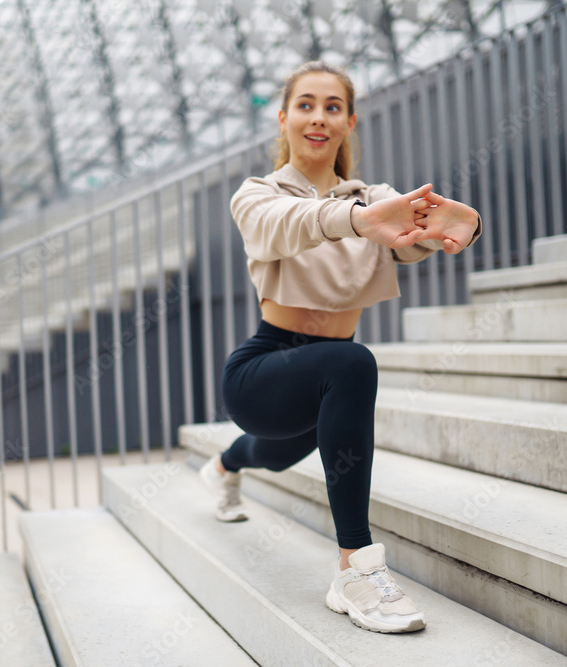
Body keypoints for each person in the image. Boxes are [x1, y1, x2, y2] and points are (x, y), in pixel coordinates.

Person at [199, 60, 482, 634]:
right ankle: (355, 569)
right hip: (265, 368)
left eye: (332, 106)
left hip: (326, 383)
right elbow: (290, 224)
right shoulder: (259, 195)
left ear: (349, 121)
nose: (318, 117)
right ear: (283, 118)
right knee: (353, 362)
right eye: (305, 104)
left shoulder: (373, 197)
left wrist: (460, 224)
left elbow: (410, 240)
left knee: (272, 453)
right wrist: (359, 220)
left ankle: (226, 465)